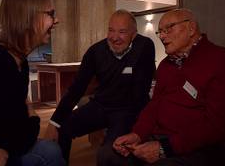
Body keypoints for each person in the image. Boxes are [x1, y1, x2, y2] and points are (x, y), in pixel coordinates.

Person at [113, 8, 225, 166]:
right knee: (108, 155)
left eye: (168, 29)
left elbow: (217, 126)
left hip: (202, 148)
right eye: (160, 31)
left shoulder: (221, 60)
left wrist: (164, 148)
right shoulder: (165, 66)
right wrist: (138, 134)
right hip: (162, 138)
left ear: (191, 28)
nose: (162, 36)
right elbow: (154, 106)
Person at [44, 9, 156, 165]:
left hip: (127, 110)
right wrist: (53, 122)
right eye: (111, 30)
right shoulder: (95, 52)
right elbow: (77, 88)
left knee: (109, 153)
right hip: (101, 105)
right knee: (62, 128)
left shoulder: (145, 46)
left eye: (122, 32)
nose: (114, 37)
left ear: (134, 35)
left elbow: (143, 88)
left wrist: (133, 126)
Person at [0, 0, 66, 166]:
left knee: (51, 151)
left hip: (5, 149)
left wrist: (28, 118)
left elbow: (18, 132)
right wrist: (32, 118)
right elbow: (18, 134)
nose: (56, 20)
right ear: (28, 18)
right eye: (50, 14)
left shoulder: (20, 62)